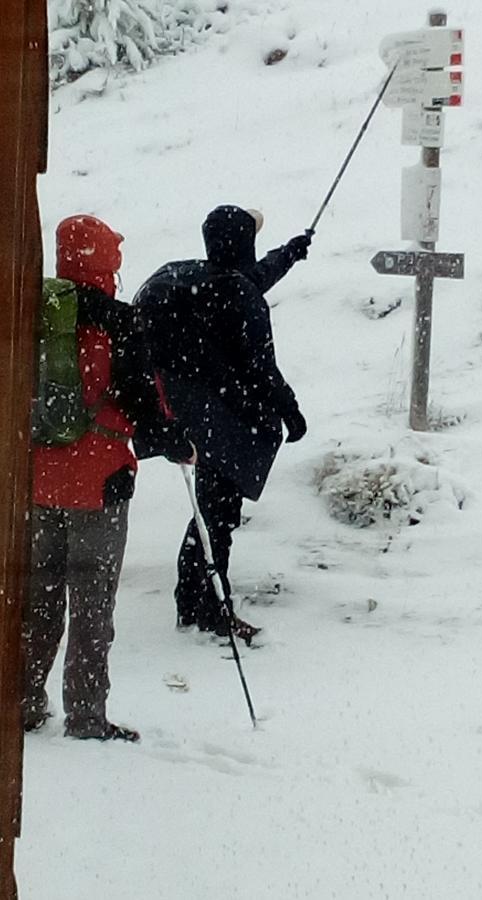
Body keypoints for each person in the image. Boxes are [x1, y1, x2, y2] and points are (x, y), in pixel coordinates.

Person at [23, 214, 194, 742]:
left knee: (38, 599)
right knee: (93, 605)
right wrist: (176, 441)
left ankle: (24, 705)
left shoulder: (33, 310)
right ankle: (86, 716)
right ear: (104, 258)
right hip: (99, 484)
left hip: (38, 479)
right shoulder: (120, 322)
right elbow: (145, 405)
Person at [134, 206, 310, 642]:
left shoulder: (191, 277)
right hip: (226, 417)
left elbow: (246, 279)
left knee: (211, 512)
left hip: (188, 413)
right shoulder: (237, 295)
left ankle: (192, 601)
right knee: (218, 515)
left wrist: (289, 253)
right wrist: (291, 413)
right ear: (242, 246)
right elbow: (262, 371)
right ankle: (211, 610)